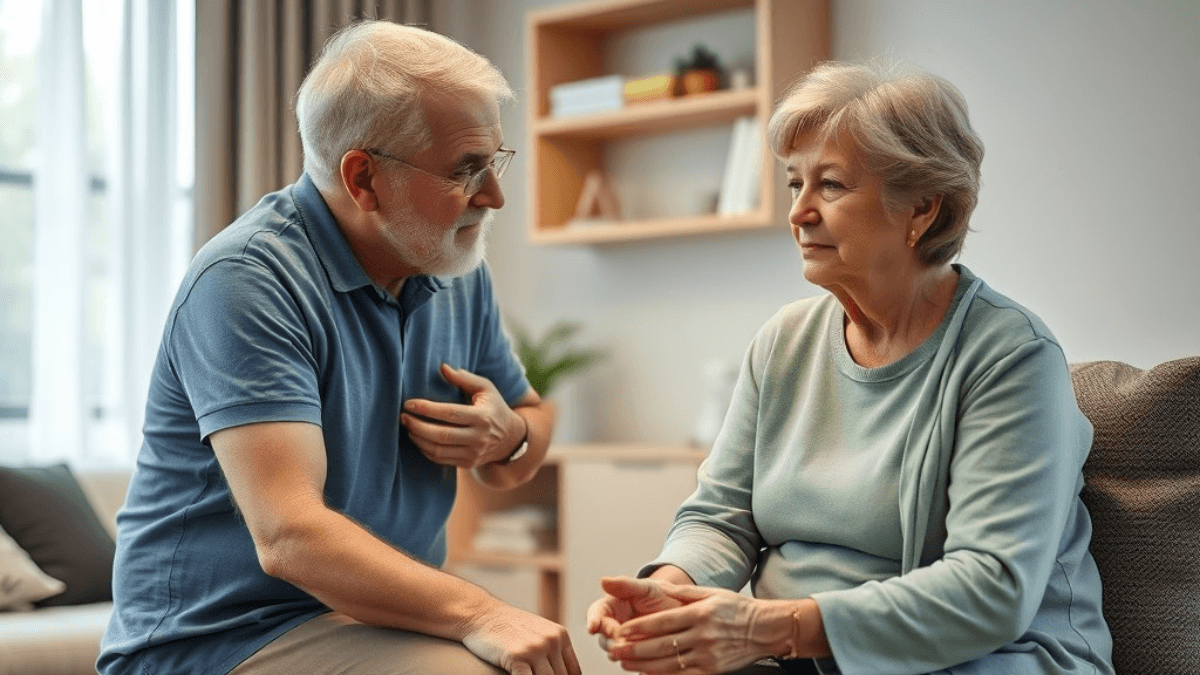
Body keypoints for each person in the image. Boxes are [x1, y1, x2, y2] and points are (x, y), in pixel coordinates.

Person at [587, 61, 1115, 675]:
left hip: (991, 659)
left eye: (831, 186)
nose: (800, 213)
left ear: (921, 209)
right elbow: (719, 518)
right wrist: (671, 592)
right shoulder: (783, 342)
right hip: (798, 657)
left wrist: (767, 628)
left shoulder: (1011, 355)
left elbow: (992, 588)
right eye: (794, 184)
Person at [98, 21, 579, 675]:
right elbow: (291, 536)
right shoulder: (246, 279)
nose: (493, 195)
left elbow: (529, 426)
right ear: (364, 178)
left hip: (370, 620)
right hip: (214, 639)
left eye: (496, 161)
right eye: (467, 170)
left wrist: (510, 435)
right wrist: (484, 612)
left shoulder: (455, 266)